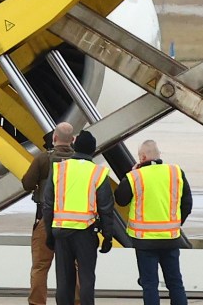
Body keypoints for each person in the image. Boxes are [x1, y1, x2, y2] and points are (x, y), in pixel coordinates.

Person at [42, 128, 118, 305]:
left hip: (61, 231)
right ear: (92, 151)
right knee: (86, 279)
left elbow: (48, 205)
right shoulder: (98, 173)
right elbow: (106, 208)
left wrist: (49, 233)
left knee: (64, 281)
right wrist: (108, 237)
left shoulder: (59, 169)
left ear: (74, 147)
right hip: (85, 232)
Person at [118, 138, 192, 305]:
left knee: (149, 284)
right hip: (170, 238)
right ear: (158, 155)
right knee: (175, 282)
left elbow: (121, 199)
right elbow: (187, 203)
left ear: (142, 157)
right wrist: (175, 224)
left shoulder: (135, 176)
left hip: (144, 241)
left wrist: (130, 174)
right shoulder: (175, 172)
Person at [21, 122, 81, 305]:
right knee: (74, 267)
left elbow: (27, 184)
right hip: (73, 222)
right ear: (73, 140)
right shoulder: (81, 162)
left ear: (54, 139)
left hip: (46, 220)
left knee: (40, 266)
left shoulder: (43, 159)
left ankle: (37, 302)